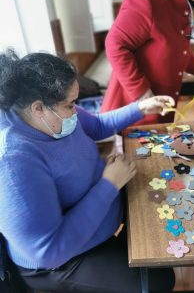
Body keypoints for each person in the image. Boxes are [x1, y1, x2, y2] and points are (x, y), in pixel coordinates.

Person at [0, 50, 176, 293]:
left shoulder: (51, 115)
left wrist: (140, 107)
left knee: (154, 218)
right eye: (71, 105)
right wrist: (109, 184)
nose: (76, 112)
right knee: (158, 281)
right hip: (57, 261)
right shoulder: (12, 163)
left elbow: (97, 124)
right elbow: (49, 250)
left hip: (96, 209)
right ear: (38, 108)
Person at [101, 0, 194, 125]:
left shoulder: (181, 5)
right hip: (133, 109)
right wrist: (142, 93)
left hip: (158, 110)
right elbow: (115, 44)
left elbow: (178, 50)